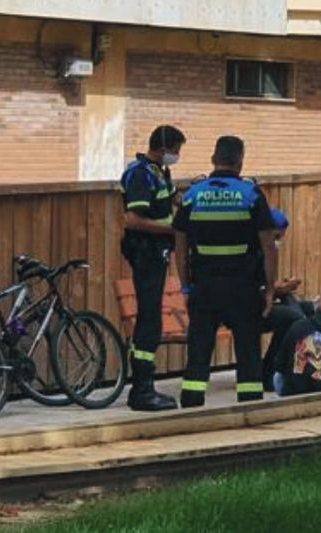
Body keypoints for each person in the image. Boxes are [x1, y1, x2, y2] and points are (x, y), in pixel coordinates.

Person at [173, 135, 277, 408]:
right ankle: (250, 409)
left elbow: (180, 248)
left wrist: (185, 287)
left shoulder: (193, 195)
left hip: (204, 287)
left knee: (198, 352)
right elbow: (268, 247)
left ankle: (191, 407)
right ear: (240, 162)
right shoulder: (251, 194)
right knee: (248, 352)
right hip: (243, 287)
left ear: (213, 160)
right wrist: (270, 290)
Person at [119, 124, 185, 411]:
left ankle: (146, 387)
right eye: (176, 151)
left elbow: (169, 202)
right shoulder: (140, 174)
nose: (177, 156)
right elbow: (132, 220)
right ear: (163, 147)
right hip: (145, 253)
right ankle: (142, 390)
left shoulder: (159, 172)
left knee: (152, 319)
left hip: (157, 253)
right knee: (148, 321)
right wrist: (170, 229)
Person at [261, 208, 311, 391]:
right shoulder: (257, 249)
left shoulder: (269, 249)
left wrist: (282, 287)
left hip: (263, 303)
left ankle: (281, 367)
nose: (279, 241)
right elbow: (255, 289)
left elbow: (266, 285)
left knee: (305, 308)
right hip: (248, 309)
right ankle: (270, 370)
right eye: (277, 236)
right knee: (294, 318)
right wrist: (279, 289)